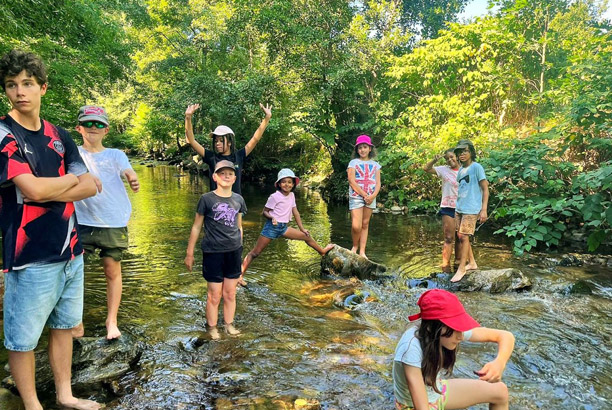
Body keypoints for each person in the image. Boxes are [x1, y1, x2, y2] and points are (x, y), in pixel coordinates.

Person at [0, 50, 101, 410]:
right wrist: (65, 183)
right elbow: (32, 190)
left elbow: (91, 186)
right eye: (11, 85)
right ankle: (31, 405)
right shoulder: (3, 133)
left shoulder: (58, 135)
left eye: (27, 83)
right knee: (22, 339)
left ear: (43, 87)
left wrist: (54, 186)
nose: (19, 92)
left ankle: (65, 395)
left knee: (64, 327)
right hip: (29, 255)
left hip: (70, 250)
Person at [72, 105, 140, 340]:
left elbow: (128, 170)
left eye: (98, 124)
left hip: (113, 220)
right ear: (79, 127)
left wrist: (132, 177)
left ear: (106, 130)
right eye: (88, 123)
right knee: (74, 273)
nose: (93, 128)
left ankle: (111, 320)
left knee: (112, 270)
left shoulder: (115, 154)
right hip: (81, 221)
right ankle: (76, 322)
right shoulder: (73, 153)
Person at [393, 289, 514, 410]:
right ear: (431, 327)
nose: (460, 336)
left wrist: (499, 362)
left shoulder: (447, 331)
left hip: (437, 392)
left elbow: (505, 336)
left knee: (500, 392)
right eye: (455, 328)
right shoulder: (410, 349)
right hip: (411, 405)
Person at [184, 160, 247, 339]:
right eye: (222, 173)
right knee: (214, 294)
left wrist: (240, 249)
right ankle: (212, 328)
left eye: (229, 174)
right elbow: (196, 227)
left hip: (233, 251)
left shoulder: (238, 200)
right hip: (213, 252)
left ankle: (228, 325)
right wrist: (189, 253)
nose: (226, 176)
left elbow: (239, 226)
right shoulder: (207, 199)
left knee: (230, 292)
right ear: (215, 177)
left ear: (234, 178)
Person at [240, 168, 334, 285]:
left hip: (283, 228)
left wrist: (302, 229)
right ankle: (239, 276)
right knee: (255, 253)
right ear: (279, 184)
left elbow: (296, 212)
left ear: (293, 184)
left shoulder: (292, 196)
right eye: (284, 182)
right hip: (271, 227)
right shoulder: (274, 196)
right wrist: (271, 218)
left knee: (306, 236)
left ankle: (322, 252)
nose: (287, 184)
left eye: (289, 182)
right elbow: (265, 211)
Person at [184, 102, 272, 194]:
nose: (218, 143)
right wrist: (188, 117)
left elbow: (255, 139)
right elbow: (191, 140)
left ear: (230, 142)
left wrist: (267, 118)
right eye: (216, 141)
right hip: (216, 205)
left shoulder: (239, 156)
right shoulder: (211, 157)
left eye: (221, 141)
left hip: (235, 205)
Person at [451, 139, 488, 282]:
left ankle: (462, 268)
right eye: (459, 152)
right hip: (460, 207)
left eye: (465, 151)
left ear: (471, 152)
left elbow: (485, 188)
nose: (462, 154)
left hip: (472, 208)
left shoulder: (476, 167)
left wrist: (483, 209)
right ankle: (472, 263)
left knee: (464, 236)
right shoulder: (461, 170)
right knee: (461, 236)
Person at [423, 149, 460, 272]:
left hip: (463, 207)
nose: (450, 160)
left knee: (461, 237)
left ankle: (458, 263)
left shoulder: (466, 170)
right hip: (448, 207)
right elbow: (426, 169)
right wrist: (434, 159)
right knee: (449, 237)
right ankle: (445, 266)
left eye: (452, 157)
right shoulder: (444, 169)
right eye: (447, 159)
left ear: (457, 156)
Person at [347, 134, 381, 259]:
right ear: (357, 150)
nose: (362, 150)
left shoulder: (376, 165)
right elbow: (351, 181)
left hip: (371, 197)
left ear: (370, 149)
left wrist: (373, 196)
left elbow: (378, 183)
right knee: (356, 225)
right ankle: (354, 246)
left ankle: (362, 251)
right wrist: (364, 195)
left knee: (365, 224)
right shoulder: (353, 163)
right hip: (357, 196)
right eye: (360, 148)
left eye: (365, 147)